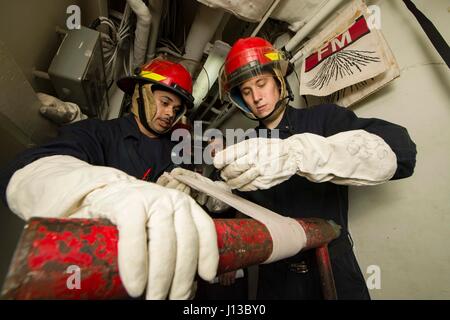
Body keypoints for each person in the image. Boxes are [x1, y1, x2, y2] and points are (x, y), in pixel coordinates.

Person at [213, 37, 417, 299]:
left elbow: (402, 153)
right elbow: (237, 207)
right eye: (246, 91)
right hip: (276, 279)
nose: (256, 97)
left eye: (261, 84)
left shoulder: (324, 119)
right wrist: (214, 194)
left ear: (278, 80)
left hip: (332, 267)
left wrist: (303, 153)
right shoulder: (245, 144)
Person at [0, 58, 219, 300]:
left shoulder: (180, 149)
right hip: (100, 276)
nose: (170, 113)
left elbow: (211, 155)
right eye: (165, 102)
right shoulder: (98, 133)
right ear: (141, 94)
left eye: (177, 110)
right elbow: (35, 167)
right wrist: (102, 190)